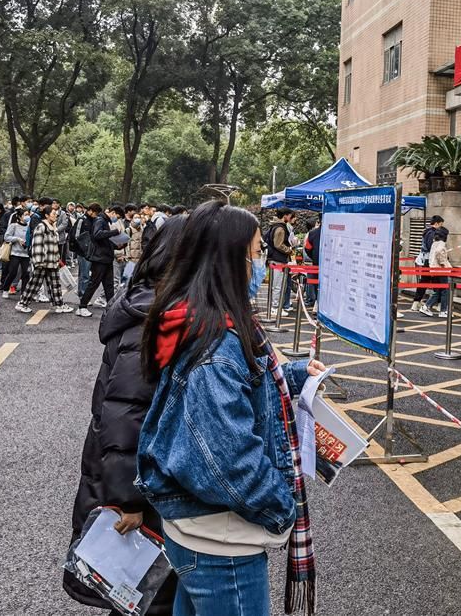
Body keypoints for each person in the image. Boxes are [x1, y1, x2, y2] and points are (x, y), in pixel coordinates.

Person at [138, 202, 325, 616]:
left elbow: (240, 385)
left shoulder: (201, 320)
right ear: (230, 260)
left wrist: (291, 376)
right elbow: (229, 459)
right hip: (221, 542)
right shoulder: (216, 344)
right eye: (257, 253)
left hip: (197, 530)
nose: (261, 264)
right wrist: (281, 502)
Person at [63, 216, 186, 615]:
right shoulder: (156, 318)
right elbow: (126, 414)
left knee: (141, 592)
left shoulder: (149, 302)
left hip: (138, 481)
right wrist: (127, 499)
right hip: (137, 490)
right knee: (145, 592)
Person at [17, 206, 73, 314]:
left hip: (52, 261)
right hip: (43, 262)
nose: (56, 215)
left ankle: (59, 304)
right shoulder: (41, 227)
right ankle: (22, 304)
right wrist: (39, 262)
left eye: (56, 214)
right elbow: (37, 245)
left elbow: (54, 245)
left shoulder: (52, 227)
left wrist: (57, 259)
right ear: (47, 215)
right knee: (34, 284)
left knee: (55, 284)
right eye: (53, 214)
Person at [77, 203, 116, 318]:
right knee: (94, 283)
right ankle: (82, 307)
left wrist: (118, 245)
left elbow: (105, 241)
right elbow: (97, 235)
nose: (116, 218)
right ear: (112, 212)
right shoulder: (100, 220)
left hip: (106, 257)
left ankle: (111, 308)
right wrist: (114, 232)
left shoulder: (105, 221)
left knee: (109, 284)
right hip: (100, 258)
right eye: (116, 215)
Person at [410, 215, 445, 314]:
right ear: (436, 223)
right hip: (431, 261)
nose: (441, 227)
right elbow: (431, 247)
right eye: (441, 224)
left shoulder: (426, 231)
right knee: (437, 282)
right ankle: (438, 304)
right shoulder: (432, 233)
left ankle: (416, 303)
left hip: (426, 260)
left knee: (424, 282)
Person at [265, 208, 296, 312]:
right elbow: (278, 244)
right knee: (278, 285)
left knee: (277, 285)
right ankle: (275, 308)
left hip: (275, 259)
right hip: (278, 259)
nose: (291, 218)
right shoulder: (280, 228)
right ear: (285, 216)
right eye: (290, 215)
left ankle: (275, 307)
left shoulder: (275, 226)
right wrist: (289, 250)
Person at [421, 226, 452, 318]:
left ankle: (426, 306)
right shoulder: (441, 243)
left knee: (438, 290)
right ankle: (443, 311)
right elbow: (439, 252)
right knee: (444, 291)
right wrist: (443, 263)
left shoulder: (434, 243)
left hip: (434, 269)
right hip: (441, 269)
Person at [2, 208, 31, 297]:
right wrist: (17, 239)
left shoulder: (29, 227)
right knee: (13, 272)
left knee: (26, 273)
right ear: (19, 216)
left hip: (26, 254)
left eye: (28, 214)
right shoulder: (13, 226)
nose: (27, 216)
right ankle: (5, 289)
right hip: (15, 253)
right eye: (25, 215)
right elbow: (6, 237)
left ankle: (23, 293)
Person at [301, 218, 321, 308]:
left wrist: (314, 257)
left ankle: (315, 302)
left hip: (315, 262)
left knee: (314, 282)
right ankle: (313, 301)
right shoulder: (333, 232)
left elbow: (307, 248)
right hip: (326, 264)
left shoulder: (312, 233)